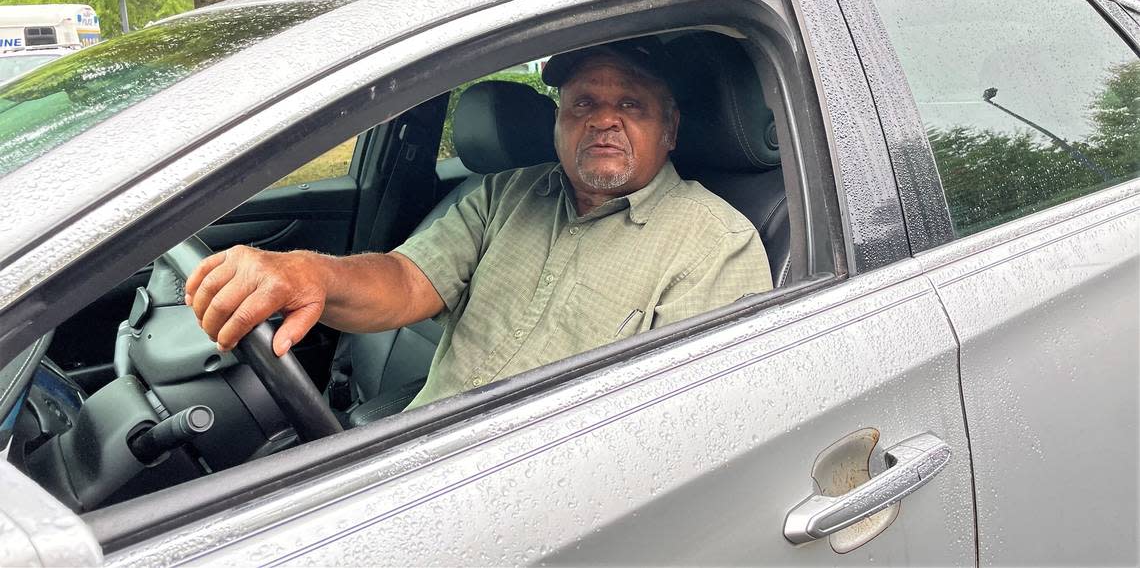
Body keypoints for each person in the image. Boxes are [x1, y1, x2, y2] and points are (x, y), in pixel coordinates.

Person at [185, 38, 773, 408]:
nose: (604, 121)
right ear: (558, 121)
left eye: (631, 106)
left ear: (669, 131)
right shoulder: (503, 194)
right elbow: (408, 281)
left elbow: (680, 426)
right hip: (420, 445)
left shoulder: (713, 244)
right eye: (583, 104)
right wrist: (310, 274)